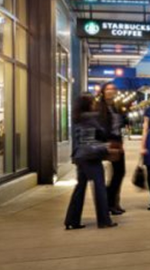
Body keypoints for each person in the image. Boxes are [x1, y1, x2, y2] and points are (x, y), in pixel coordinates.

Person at [64, 95, 118, 230]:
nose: (95, 105)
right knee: (100, 188)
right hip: (91, 157)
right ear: (88, 105)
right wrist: (106, 147)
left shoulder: (78, 118)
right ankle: (104, 220)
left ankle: (72, 220)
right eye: (93, 102)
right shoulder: (92, 118)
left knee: (80, 188)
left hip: (80, 157)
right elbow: (97, 137)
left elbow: (81, 140)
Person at [96, 82, 126, 215]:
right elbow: (98, 127)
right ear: (103, 91)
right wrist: (104, 143)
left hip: (117, 142)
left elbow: (119, 125)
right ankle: (109, 202)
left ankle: (112, 202)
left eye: (113, 89)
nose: (110, 91)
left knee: (120, 172)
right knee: (116, 173)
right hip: (106, 143)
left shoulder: (116, 107)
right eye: (108, 89)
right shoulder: (98, 107)